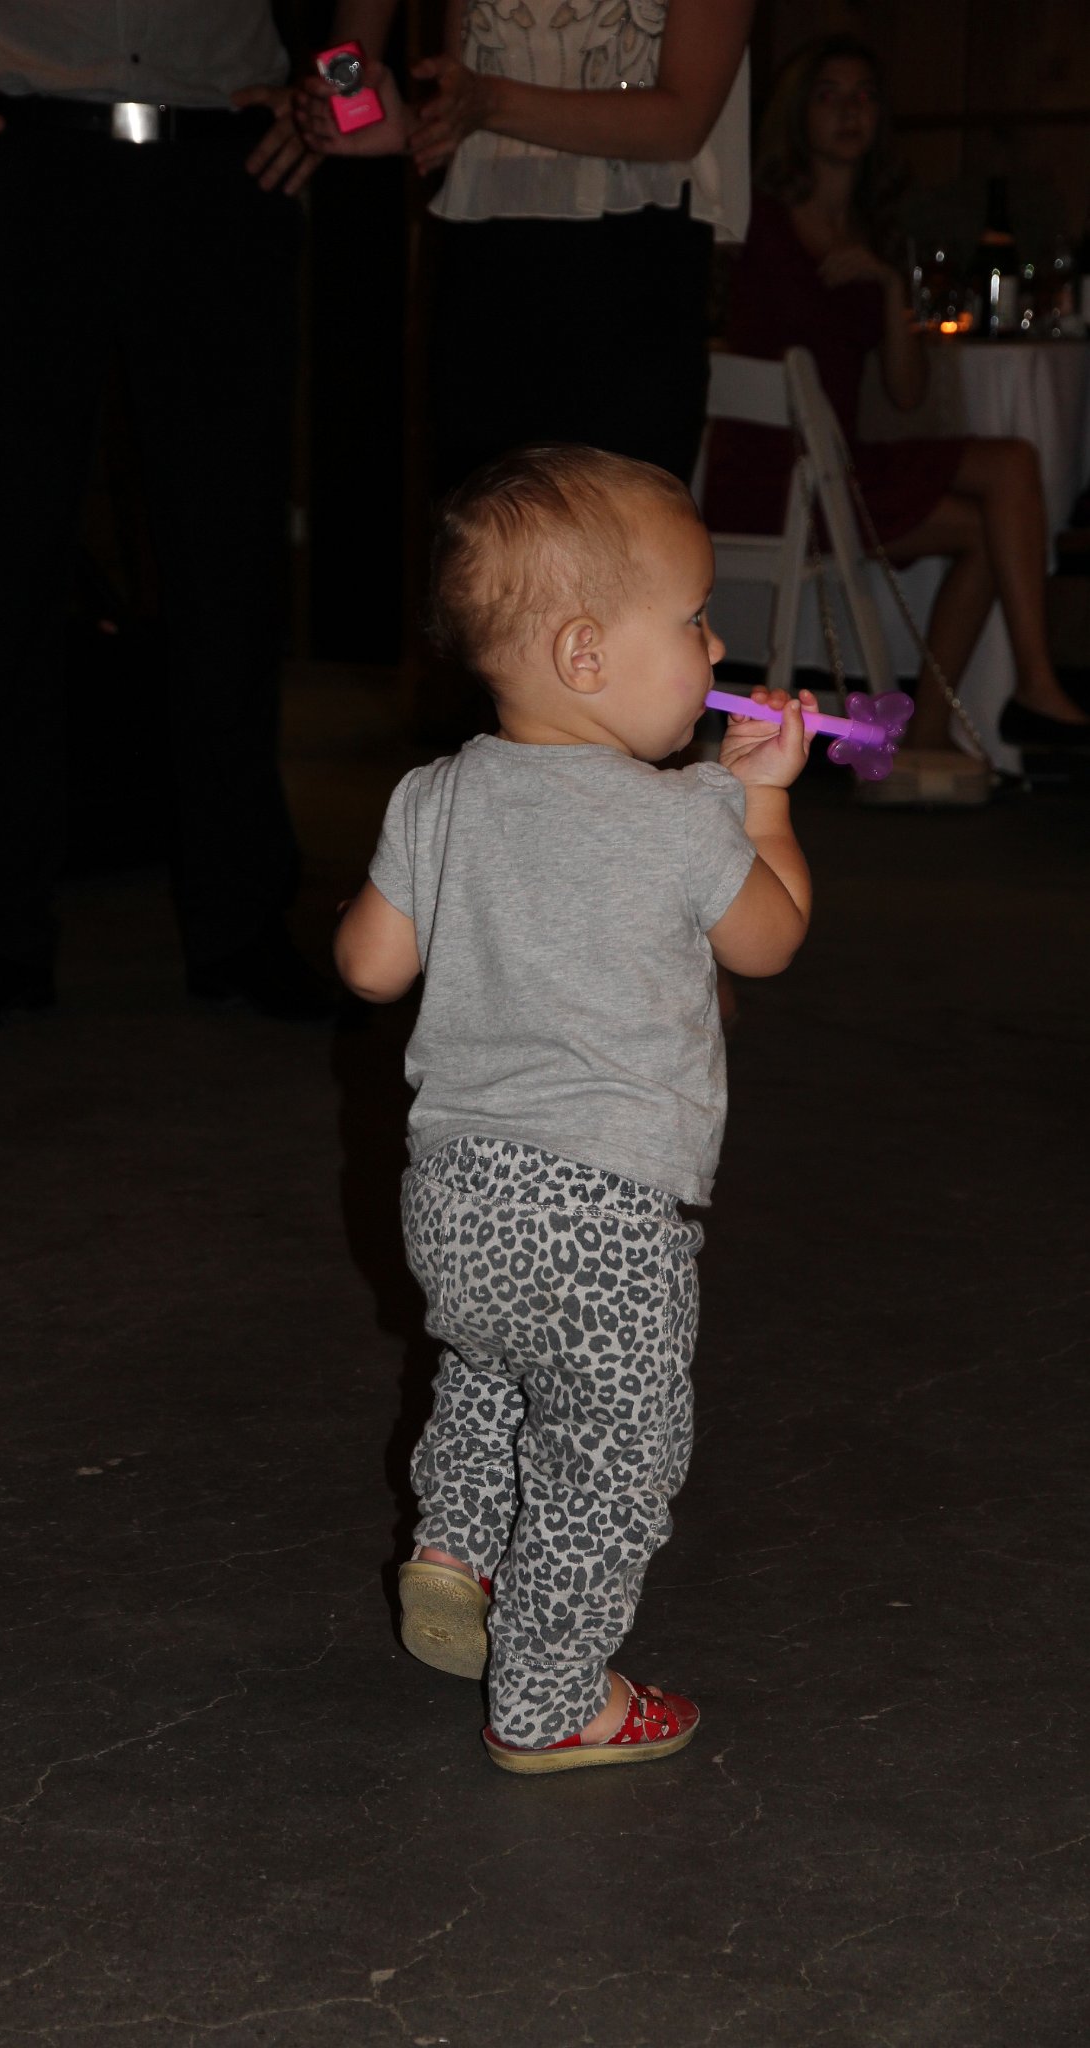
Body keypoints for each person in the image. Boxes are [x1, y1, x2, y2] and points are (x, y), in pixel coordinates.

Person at [334, 444, 812, 1770]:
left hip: (452, 1198)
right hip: (606, 1213)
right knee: (611, 1450)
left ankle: (456, 1547)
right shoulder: (683, 818)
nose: (716, 649)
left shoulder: (433, 796)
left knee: (491, 1363)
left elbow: (368, 966)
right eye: (695, 619)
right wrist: (766, 804)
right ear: (587, 654)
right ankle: (551, 1696)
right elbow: (769, 939)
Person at [0, 0, 394, 1031]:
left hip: (223, 159)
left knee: (230, 565)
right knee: (6, 565)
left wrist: (339, 95)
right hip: (12, 151)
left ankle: (244, 925)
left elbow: (356, 33)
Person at [702, 35, 1089, 755]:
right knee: (996, 498)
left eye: (865, 97)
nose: (850, 111)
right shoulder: (760, 220)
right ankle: (1004, 700)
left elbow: (906, 393)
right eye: (830, 96)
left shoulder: (873, 230)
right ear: (799, 114)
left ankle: (972, 714)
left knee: (1008, 474)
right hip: (773, 475)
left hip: (834, 467)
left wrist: (886, 285)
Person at [299, 0, 755, 491]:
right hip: (484, 273)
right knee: (480, 524)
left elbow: (682, 123)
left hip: (630, 275)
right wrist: (362, 106)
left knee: (613, 527)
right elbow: (445, 99)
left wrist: (487, 103)